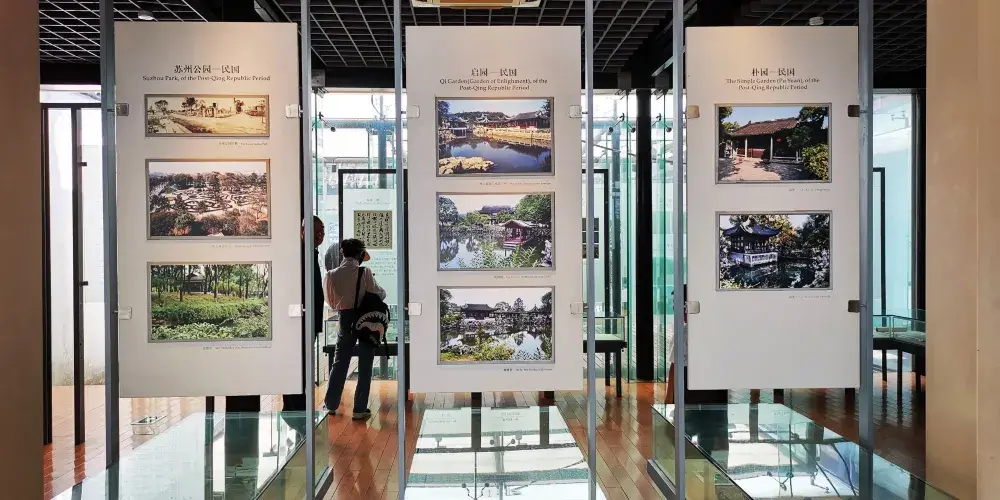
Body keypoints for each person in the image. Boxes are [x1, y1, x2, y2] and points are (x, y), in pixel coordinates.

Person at [323, 238, 385, 420]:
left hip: (345, 319)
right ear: (360, 254)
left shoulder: (331, 275)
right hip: (365, 319)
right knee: (366, 363)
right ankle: (359, 408)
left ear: (342, 254)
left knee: (340, 362)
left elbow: (331, 302)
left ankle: (331, 405)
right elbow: (380, 294)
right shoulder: (365, 272)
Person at [282, 216, 326, 412]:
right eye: (316, 231)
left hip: (309, 321)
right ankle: (294, 409)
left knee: (304, 365)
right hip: (299, 321)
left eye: (322, 232)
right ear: (302, 231)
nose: (320, 235)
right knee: (297, 365)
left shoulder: (311, 253)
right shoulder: (299, 255)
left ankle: (300, 409)